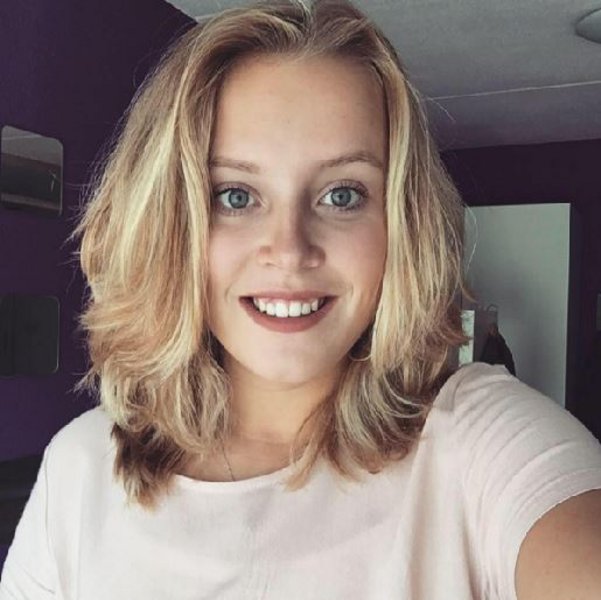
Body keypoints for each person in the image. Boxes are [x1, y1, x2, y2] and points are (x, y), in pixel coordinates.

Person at [1, 1, 601, 598]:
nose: (290, 251)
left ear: (402, 224)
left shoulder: (484, 444)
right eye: (235, 196)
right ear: (168, 223)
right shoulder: (79, 472)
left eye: (342, 195)